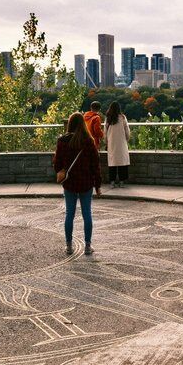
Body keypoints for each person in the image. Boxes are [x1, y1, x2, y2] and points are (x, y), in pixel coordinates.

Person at [53, 112, 102, 255]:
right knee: (87, 214)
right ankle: (87, 245)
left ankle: (68, 246)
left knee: (69, 214)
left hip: (70, 183)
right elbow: (95, 166)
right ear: (83, 124)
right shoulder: (89, 141)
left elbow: (57, 165)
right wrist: (97, 185)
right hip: (86, 183)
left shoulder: (62, 141)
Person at [104, 101, 131, 188]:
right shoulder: (123, 117)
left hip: (112, 142)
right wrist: (127, 139)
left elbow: (105, 132)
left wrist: (106, 142)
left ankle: (112, 182)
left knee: (112, 162)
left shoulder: (108, 118)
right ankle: (122, 181)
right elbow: (127, 130)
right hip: (121, 142)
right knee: (122, 162)